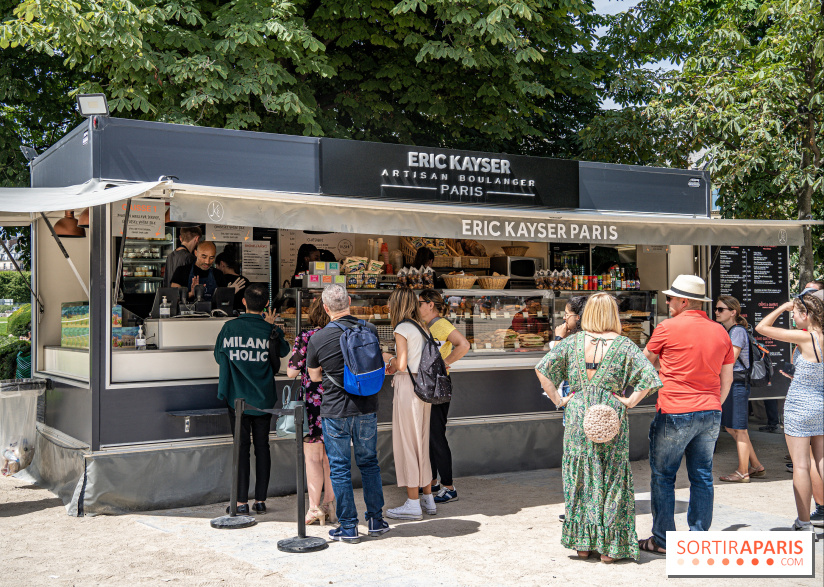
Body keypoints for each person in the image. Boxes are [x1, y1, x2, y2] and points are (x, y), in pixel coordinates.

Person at [535, 292, 662, 562]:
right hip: (610, 416)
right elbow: (650, 379)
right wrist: (629, 401)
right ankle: (610, 549)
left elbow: (542, 370)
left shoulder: (571, 343)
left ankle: (583, 545)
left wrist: (560, 400)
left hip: (578, 414)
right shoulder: (625, 345)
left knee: (580, 478)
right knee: (612, 478)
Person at [639, 275, 734, 555]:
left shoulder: (667, 328)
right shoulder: (720, 331)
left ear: (684, 300)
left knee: (663, 476)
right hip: (710, 411)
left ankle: (662, 540)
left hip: (674, 411)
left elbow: (643, 364)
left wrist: (660, 376)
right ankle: (698, 539)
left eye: (669, 298)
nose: (666, 302)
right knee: (702, 475)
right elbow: (726, 379)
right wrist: (714, 404)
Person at [306, 284, 389, 543]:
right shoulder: (370, 329)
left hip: (335, 411)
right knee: (369, 463)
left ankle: (349, 527)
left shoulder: (318, 338)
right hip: (366, 407)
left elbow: (314, 376)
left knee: (340, 468)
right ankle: (376, 519)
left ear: (325, 307)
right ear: (350, 301)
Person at [214, 283, 289, 514]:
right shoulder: (270, 330)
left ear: (243, 302)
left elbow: (219, 356)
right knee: (262, 447)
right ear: (266, 305)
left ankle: (240, 503)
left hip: (236, 397)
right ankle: (261, 501)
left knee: (241, 447)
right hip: (263, 398)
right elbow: (285, 351)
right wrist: (271, 326)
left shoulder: (229, 327)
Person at [755, 289, 824, 531]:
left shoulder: (806, 338)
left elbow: (762, 328)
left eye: (795, 314)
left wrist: (782, 307)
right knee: (821, 461)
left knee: (802, 466)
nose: (793, 318)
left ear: (806, 314)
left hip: (800, 406)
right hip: (821, 405)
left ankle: (804, 523)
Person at [382, 287, 436, 520]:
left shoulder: (402, 328)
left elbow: (402, 364)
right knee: (421, 442)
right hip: (424, 390)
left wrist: (388, 358)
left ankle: (413, 503)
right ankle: (428, 497)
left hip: (408, 388)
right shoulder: (422, 327)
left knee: (408, 443)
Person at [286, 298, 335, 526]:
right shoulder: (339, 334)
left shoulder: (306, 337)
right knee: (332, 457)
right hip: (338, 401)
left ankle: (314, 508)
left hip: (312, 404)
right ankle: (329, 504)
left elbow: (291, 373)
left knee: (313, 458)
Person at [417, 289, 470, 504]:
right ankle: (433, 480)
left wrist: (444, 363)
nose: (417, 306)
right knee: (429, 435)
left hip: (437, 385)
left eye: (419, 302)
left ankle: (449, 486)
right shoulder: (428, 326)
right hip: (431, 384)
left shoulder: (440, 324)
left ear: (430, 305)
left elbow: (464, 345)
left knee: (436, 435)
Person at [715, 295, 765, 482]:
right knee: (731, 427)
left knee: (739, 428)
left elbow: (731, 359)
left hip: (736, 383)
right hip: (733, 382)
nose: (717, 313)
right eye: (716, 309)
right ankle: (756, 465)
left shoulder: (736, 332)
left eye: (721, 309)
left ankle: (743, 472)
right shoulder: (730, 331)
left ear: (733, 312)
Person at [550, 295, 587, 523]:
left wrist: (557, 338)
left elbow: (551, 365)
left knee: (576, 459)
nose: (564, 317)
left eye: (568, 314)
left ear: (579, 317)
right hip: (589, 408)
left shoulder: (575, 341)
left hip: (576, 407)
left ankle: (577, 509)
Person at [170, 241, 245, 300]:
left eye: (211, 258)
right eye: (204, 257)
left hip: (212, 318)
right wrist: (191, 293)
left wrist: (229, 293)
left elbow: (221, 302)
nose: (207, 261)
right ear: (196, 253)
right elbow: (173, 298)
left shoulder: (218, 274)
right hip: (188, 318)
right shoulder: (181, 271)